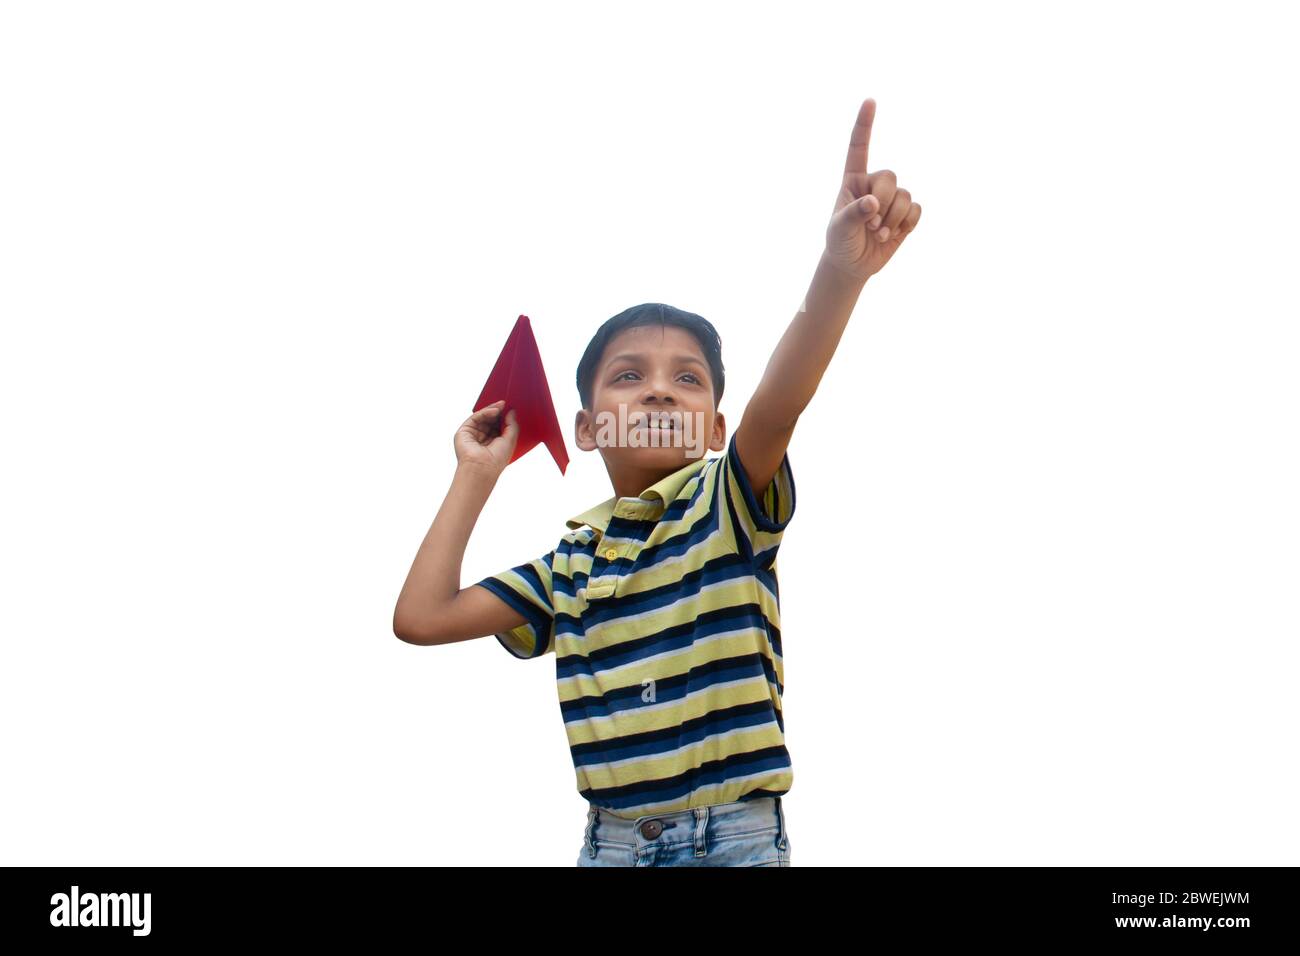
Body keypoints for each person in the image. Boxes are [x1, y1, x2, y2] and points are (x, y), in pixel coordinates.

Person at [393, 97, 921, 866]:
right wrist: (478, 472)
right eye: (629, 376)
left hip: (734, 838)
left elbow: (780, 400)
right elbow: (421, 617)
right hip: (612, 845)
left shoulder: (728, 503)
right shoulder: (568, 566)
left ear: (713, 429)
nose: (660, 392)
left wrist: (839, 275)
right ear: (585, 428)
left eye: (687, 379)